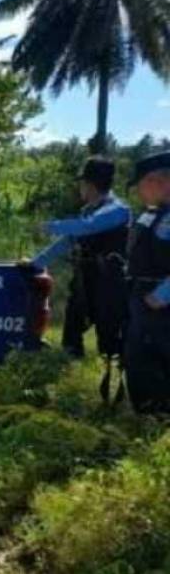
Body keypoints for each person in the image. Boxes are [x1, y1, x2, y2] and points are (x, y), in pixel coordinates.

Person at [32, 157, 131, 360]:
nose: (80, 188)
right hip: (84, 279)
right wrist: (35, 263)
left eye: (82, 184)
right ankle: (70, 367)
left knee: (109, 336)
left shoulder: (118, 210)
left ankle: (113, 377)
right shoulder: (87, 211)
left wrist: (50, 226)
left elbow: (88, 226)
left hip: (109, 282)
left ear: (90, 185)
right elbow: (67, 241)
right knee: (72, 329)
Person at [124, 152, 170, 415]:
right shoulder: (151, 214)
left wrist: (163, 295)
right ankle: (147, 418)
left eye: (139, 185)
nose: (138, 193)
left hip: (161, 303)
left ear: (156, 181)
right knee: (140, 360)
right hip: (142, 299)